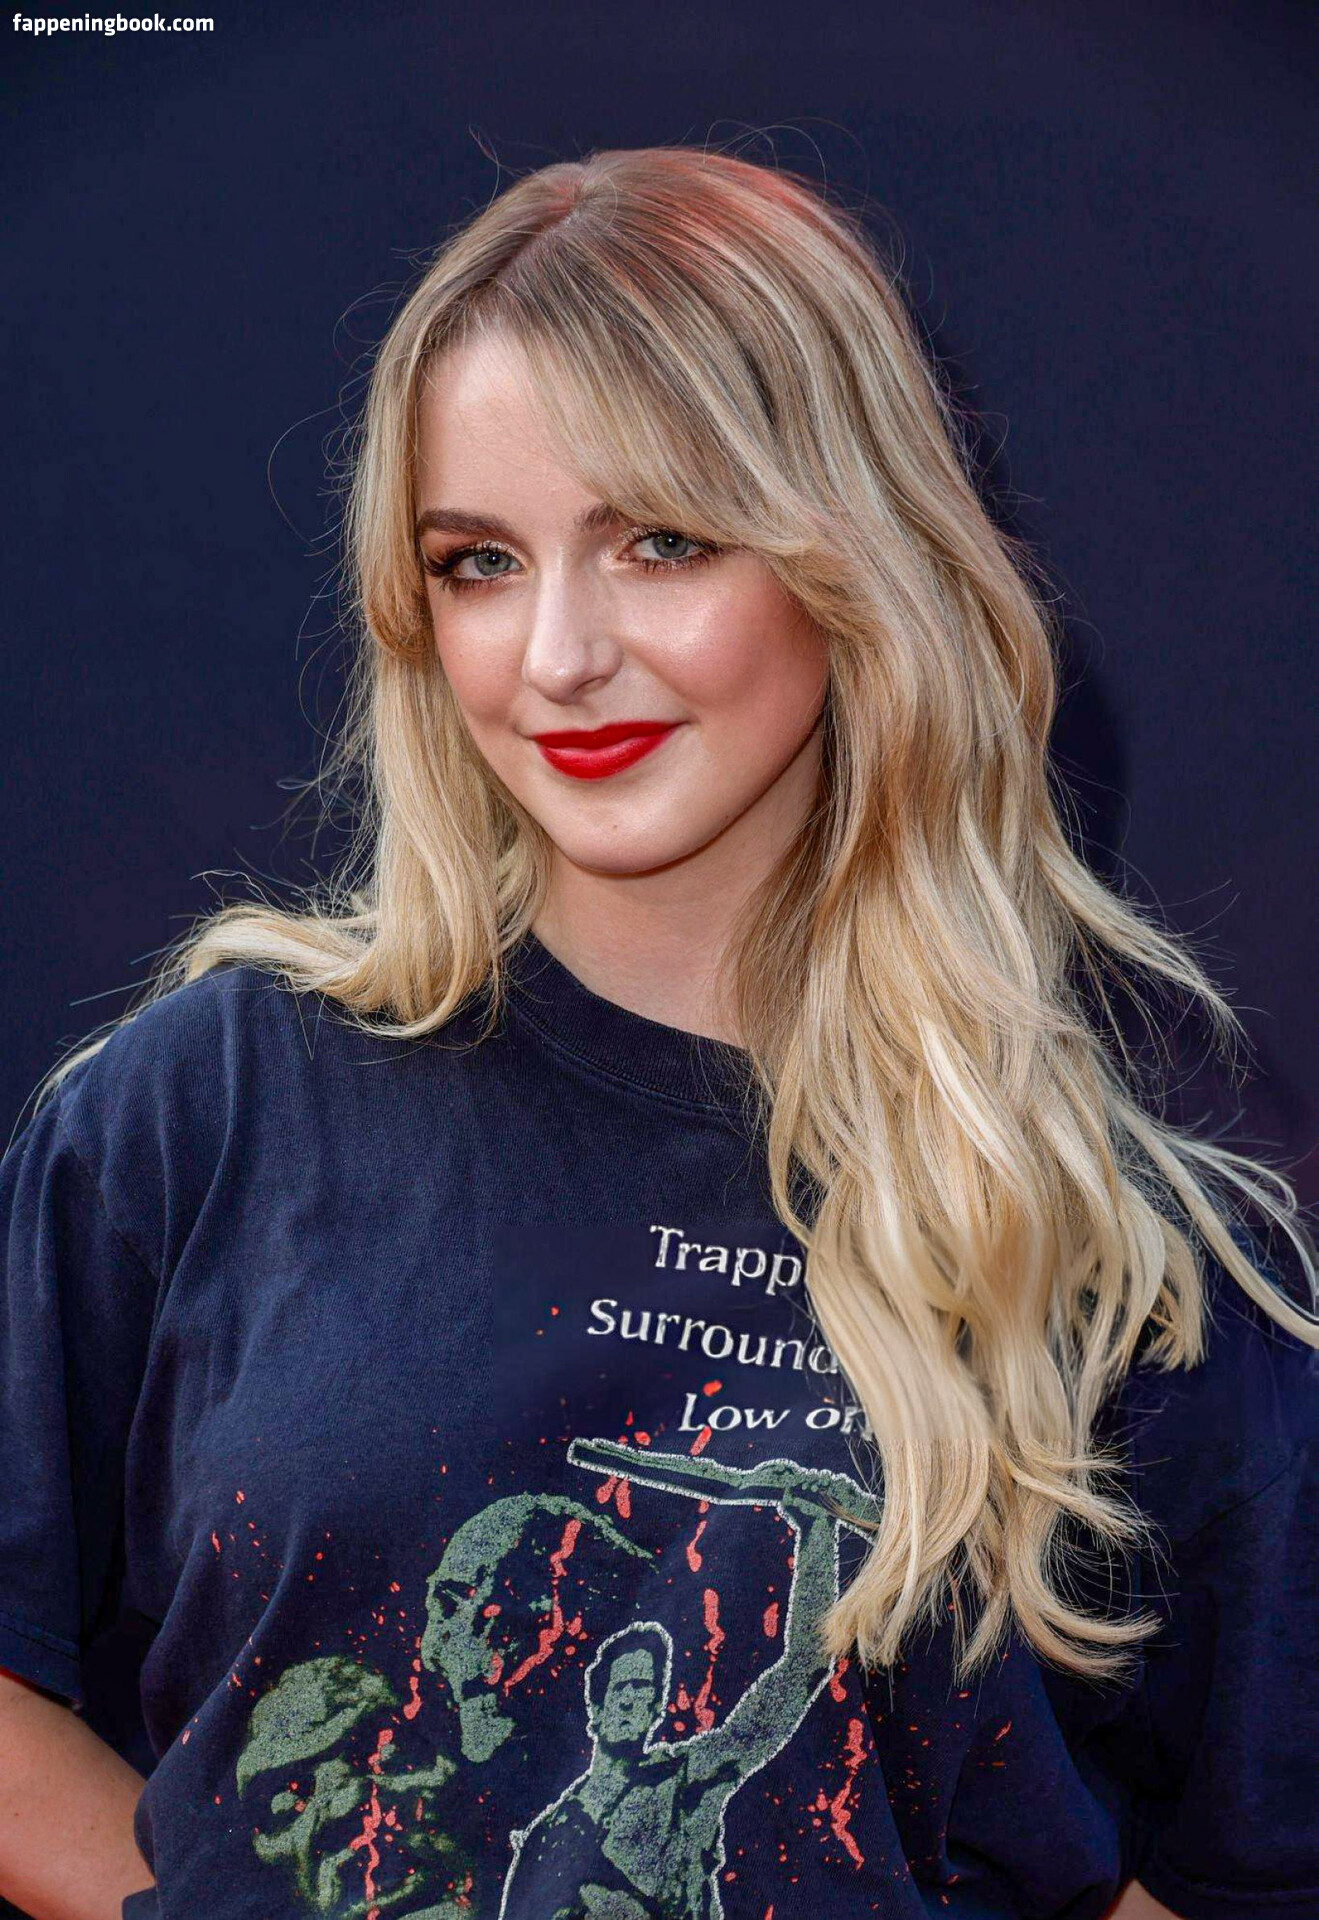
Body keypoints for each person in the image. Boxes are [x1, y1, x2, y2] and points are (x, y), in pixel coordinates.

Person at [0, 143, 1314, 1920]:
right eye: (478, 562)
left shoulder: (1126, 1263)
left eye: (662, 541)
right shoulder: (213, 1106)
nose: (558, 654)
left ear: (852, 558)